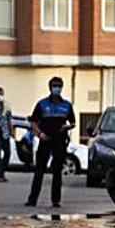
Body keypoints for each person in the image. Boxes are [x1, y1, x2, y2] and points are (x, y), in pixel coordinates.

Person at [26, 77, 75, 208]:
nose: (56, 88)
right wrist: (40, 134)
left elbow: (73, 123)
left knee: (57, 172)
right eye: (54, 86)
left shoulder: (67, 105)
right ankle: (32, 199)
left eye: (59, 85)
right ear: (50, 87)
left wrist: (66, 127)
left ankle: (56, 200)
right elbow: (33, 123)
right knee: (39, 170)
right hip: (45, 139)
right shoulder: (42, 104)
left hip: (60, 141)